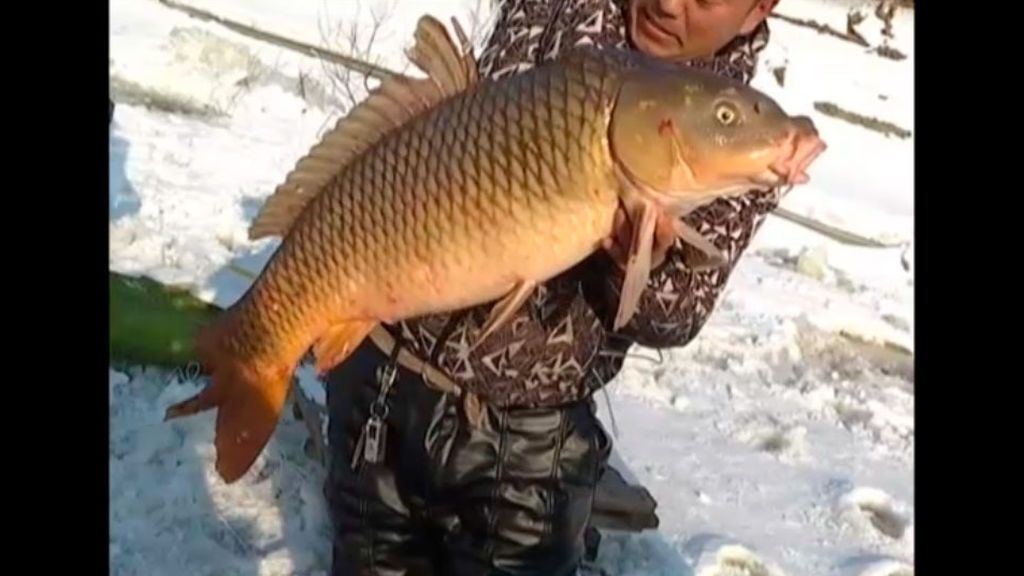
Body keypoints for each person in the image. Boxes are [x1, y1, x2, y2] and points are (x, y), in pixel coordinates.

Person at [322, 0, 782, 574]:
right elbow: (451, 136)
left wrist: (628, 264)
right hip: (386, 383)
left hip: (524, 451)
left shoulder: (746, 139)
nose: (668, 3)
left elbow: (675, 317)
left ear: (758, 9)